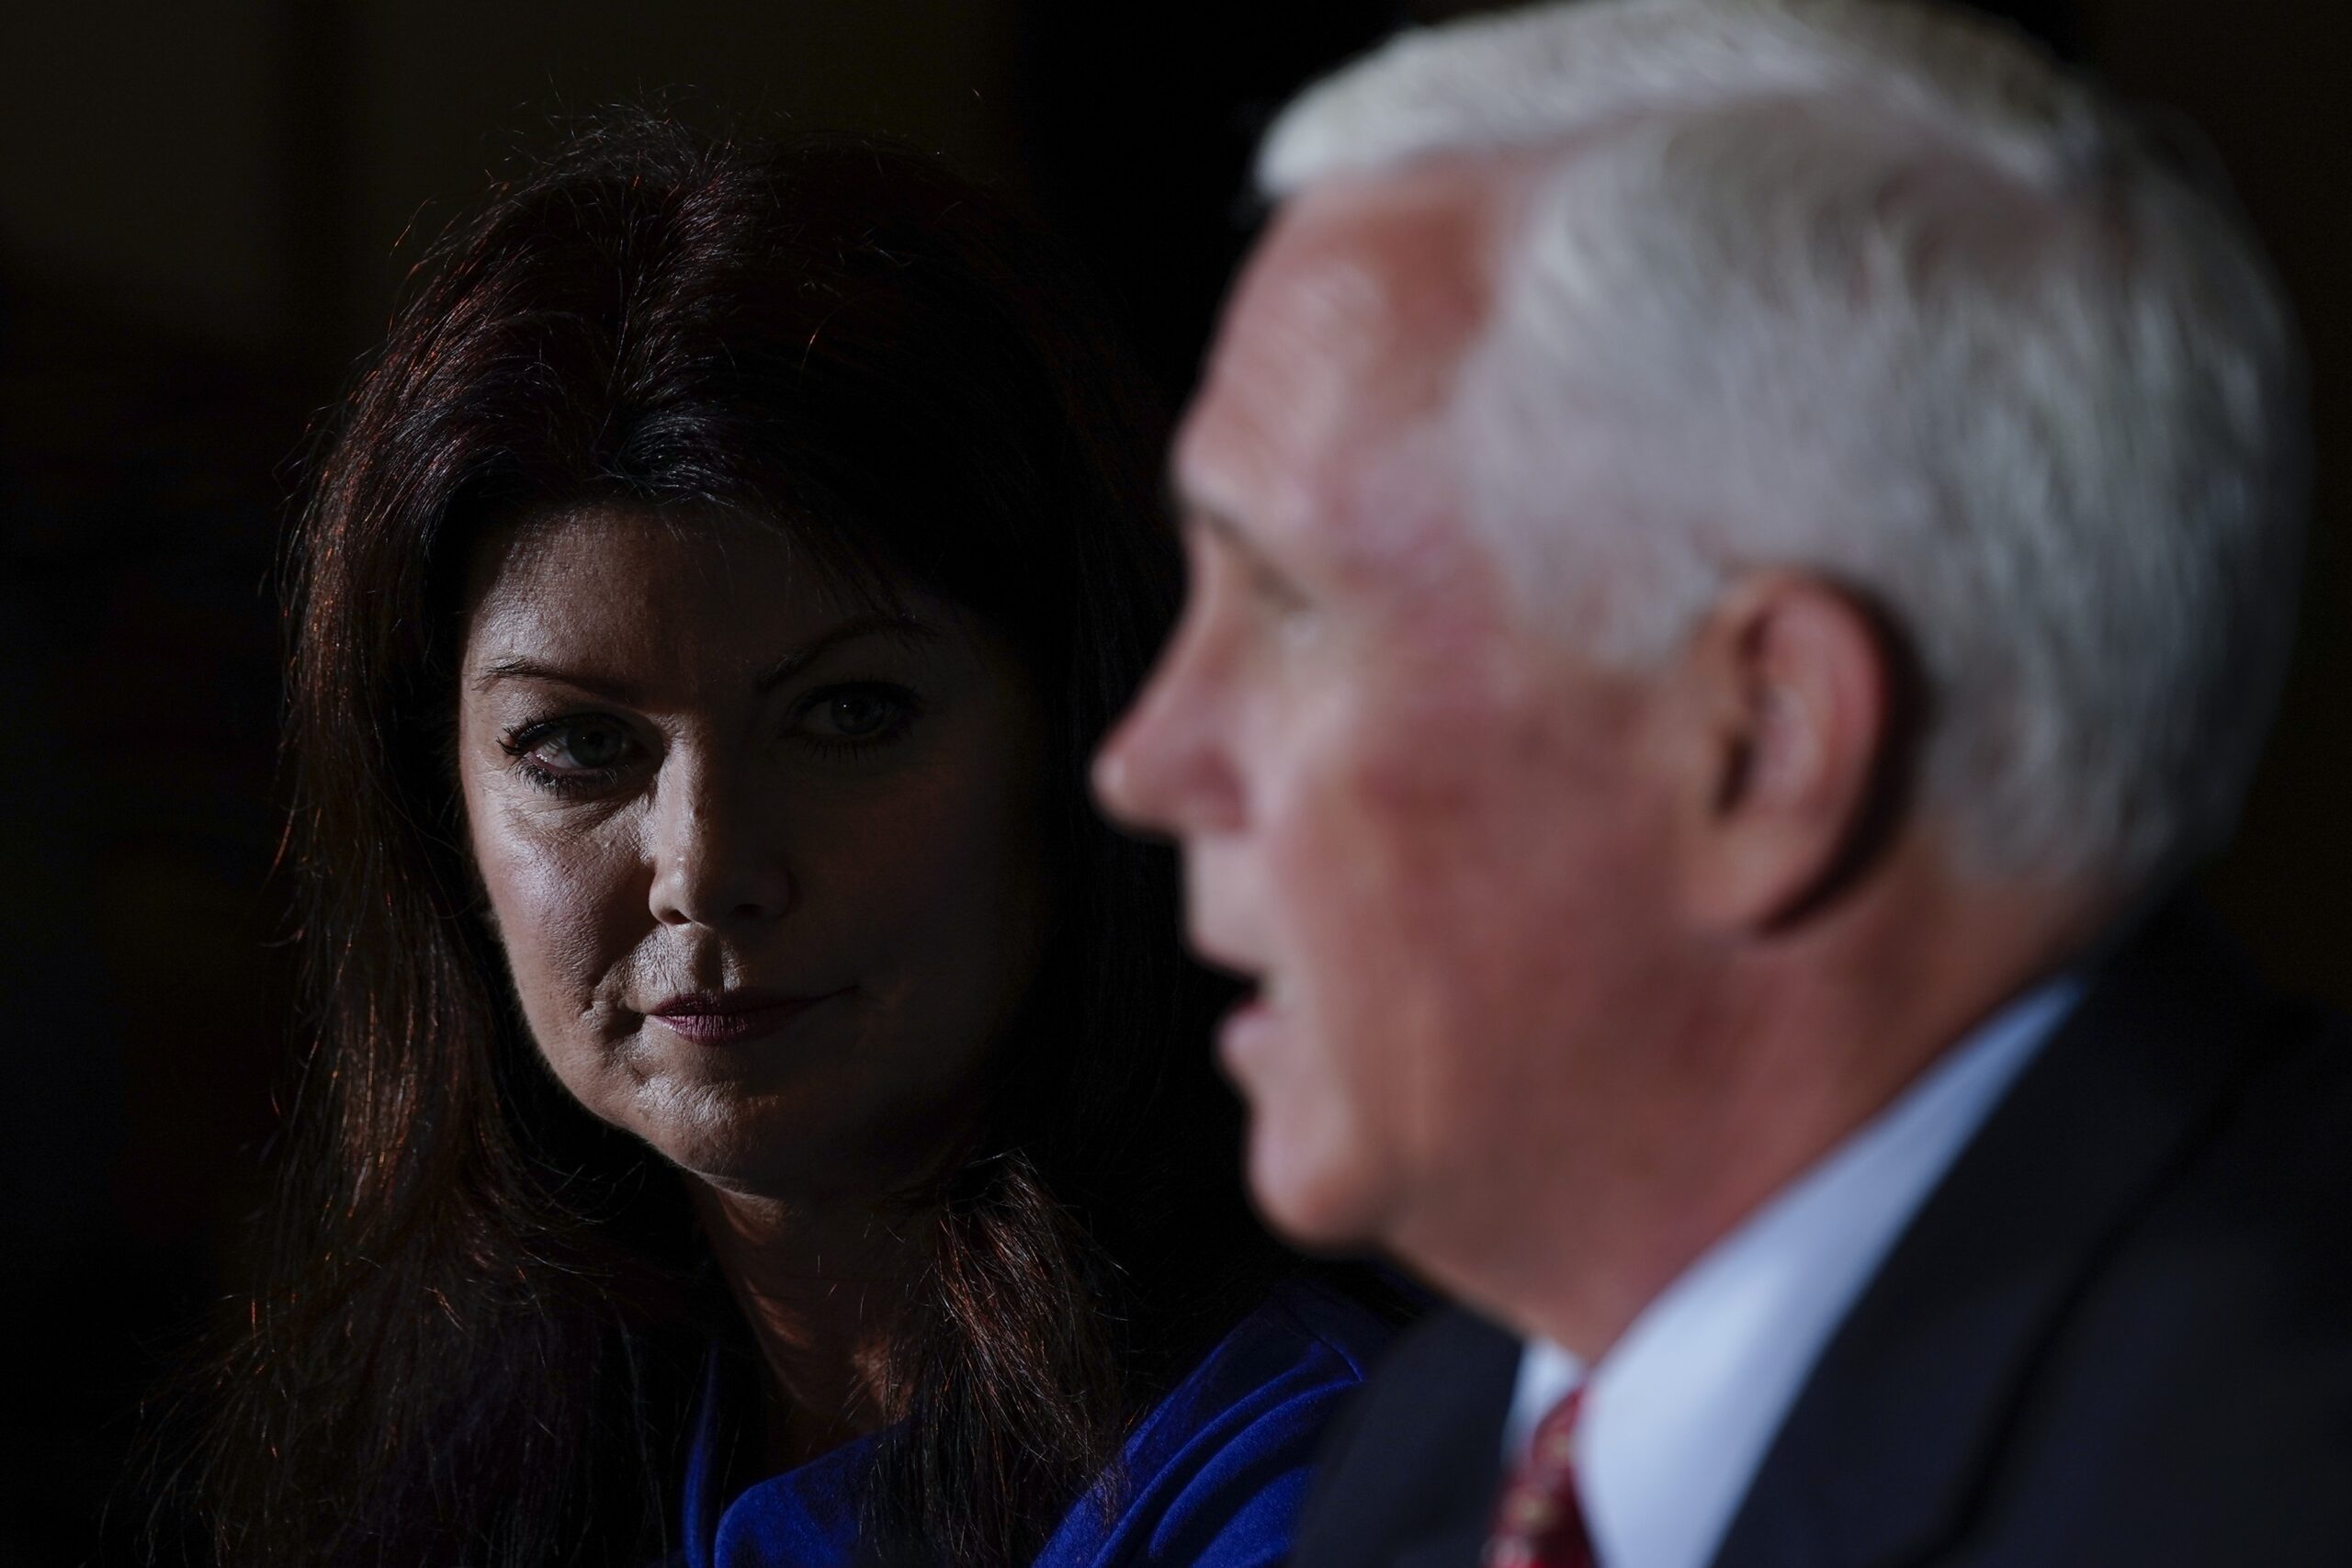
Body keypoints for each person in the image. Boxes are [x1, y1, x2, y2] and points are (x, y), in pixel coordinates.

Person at [1093, 1, 2348, 1564]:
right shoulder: (1442, 1446)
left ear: (1761, 746)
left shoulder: (2263, 1486)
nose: (1147, 764)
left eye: (1283, 602)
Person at [164, 119, 1394, 1568]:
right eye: (577, 746)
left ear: (1089, 744)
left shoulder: (1308, 1490)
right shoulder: (511, 1420)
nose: (704, 866)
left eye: (850, 715)